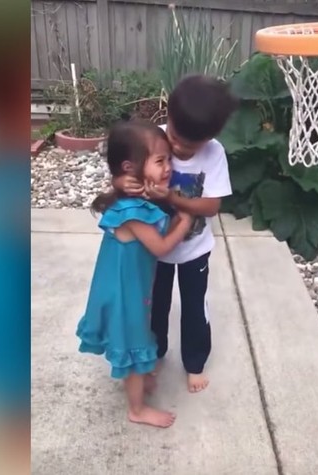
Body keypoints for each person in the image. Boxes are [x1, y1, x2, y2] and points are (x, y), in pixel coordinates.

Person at [112, 74, 238, 393]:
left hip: (194, 249)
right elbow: (124, 174)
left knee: (195, 306)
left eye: (189, 146)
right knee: (155, 304)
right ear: (168, 116)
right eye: (177, 139)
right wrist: (119, 184)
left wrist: (171, 198)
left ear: (211, 137)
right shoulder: (152, 141)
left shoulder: (214, 154)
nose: (178, 149)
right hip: (156, 250)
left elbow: (211, 206)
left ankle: (195, 363)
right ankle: (154, 353)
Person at [76, 121, 193, 428]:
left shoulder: (133, 199)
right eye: (160, 160)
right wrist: (184, 221)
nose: (168, 167)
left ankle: (140, 378)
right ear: (131, 168)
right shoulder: (132, 212)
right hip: (122, 294)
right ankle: (137, 409)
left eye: (168, 159)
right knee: (132, 342)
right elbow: (161, 247)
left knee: (138, 337)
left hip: (128, 287)